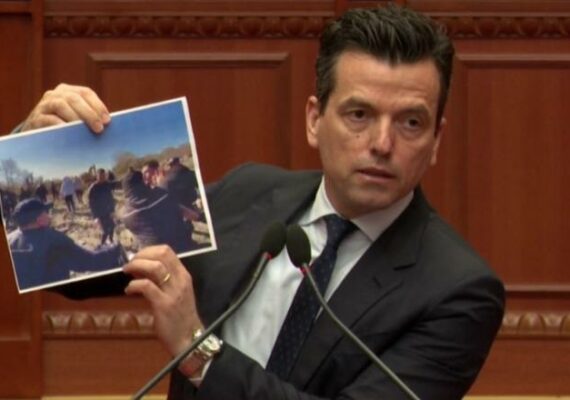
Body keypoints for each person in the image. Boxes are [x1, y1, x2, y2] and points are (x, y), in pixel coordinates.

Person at [19, 5, 504, 400]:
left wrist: (196, 349)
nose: (382, 143)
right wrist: (29, 147)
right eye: (359, 114)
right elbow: (69, 278)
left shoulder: (457, 290)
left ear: (436, 140)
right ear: (314, 120)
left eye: (411, 123)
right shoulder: (249, 193)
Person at [8, 198, 125, 291]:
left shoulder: (9, 240)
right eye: (46, 213)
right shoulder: (53, 239)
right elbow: (88, 261)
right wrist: (114, 249)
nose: (49, 215)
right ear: (39, 220)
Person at [120, 169, 194, 253]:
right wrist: (163, 183)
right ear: (142, 182)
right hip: (179, 247)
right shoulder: (162, 195)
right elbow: (176, 206)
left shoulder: (125, 215)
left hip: (152, 253)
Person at [87, 168, 120, 246]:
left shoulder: (107, 184)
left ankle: (111, 240)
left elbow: (110, 198)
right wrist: (95, 217)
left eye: (104, 176)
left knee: (112, 226)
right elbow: (91, 204)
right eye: (100, 176)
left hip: (108, 211)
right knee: (105, 231)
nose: (102, 177)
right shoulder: (93, 188)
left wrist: (112, 210)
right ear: (97, 176)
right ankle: (102, 245)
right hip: (99, 213)